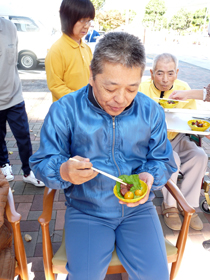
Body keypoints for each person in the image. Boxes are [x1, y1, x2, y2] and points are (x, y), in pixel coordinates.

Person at [30, 32, 177, 280]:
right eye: (110, 88)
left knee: (156, 276)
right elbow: (42, 163)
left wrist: (150, 176)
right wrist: (63, 171)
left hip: (138, 209)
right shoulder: (65, 110)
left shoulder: (151, 110)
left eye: (132, 88)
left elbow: (163, 160)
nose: (120, 99)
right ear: (91, 75)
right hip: (87, 209)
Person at [139, 53, 208, 231]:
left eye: (170, 73)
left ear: (177, 72)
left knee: (200, 155)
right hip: (152, 141)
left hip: (176, 136)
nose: (165, 79)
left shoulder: (183, 88)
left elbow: (190, 120)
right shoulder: (142, 88)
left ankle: (188, 204)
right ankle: (169, 206)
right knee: (173, 159)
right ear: (152, 72)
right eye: (160, 73)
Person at [0, 17, 44, 187]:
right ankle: (4, 164)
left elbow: (12, 62)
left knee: (24, 135)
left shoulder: (9, 27)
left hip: (14, 95)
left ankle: (28, 171)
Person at [45, 0, 95, 102]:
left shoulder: (87, 48)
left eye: (89, 21)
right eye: (82, 20)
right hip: (68, 111)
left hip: (87, 109)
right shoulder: (56, 50)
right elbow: (56, 86)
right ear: (68, 19)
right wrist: (81, 100)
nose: (87, 25)